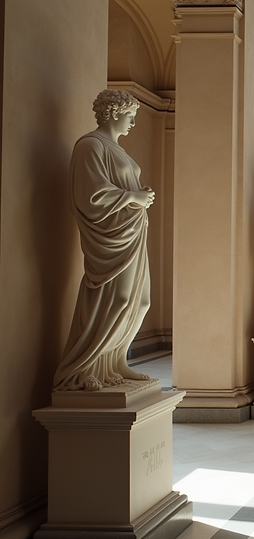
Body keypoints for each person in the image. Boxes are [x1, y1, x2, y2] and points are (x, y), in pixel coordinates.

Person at [53, 89, 154, 391]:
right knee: (118, 299)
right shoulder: (90, 146)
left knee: (141, 302)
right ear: (113, 113)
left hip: (133, 232)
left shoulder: (117, 148)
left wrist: (138, 197)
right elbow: (90, 194)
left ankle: (116, 361)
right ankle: (84, 368)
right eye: (130, 117)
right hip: (112, 239)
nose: (133, 123)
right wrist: (132, 196)